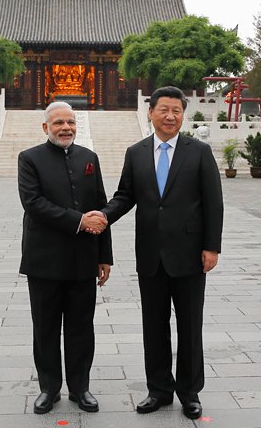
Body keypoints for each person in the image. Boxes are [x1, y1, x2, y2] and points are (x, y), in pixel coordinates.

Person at [90, 86, 223, 420]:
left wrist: (212, 246)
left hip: (191, 255)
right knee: (154, 325)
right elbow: (125, 196)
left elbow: (213, 203)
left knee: (190, 326)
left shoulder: (200, 152)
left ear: (183, 115)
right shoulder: (136, 152)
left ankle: (189, 392)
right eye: (164, 109)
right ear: (151, 112)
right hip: (150, 254)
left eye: (176, 110)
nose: (170, 116)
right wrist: (103, 216)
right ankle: (159, 390)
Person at [17, 101, 112, 415]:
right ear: (46, 128)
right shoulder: (29, 159)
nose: (66, 128)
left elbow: (100, 207)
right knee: (45, 328)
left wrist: (104, 256)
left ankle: (80, 388)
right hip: (44, 260)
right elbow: (34, 204)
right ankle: (49, 388)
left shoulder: (89, 158)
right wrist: (79, 221)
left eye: (70, 122)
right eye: (58, 123)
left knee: (81, 327)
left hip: (83, 259)